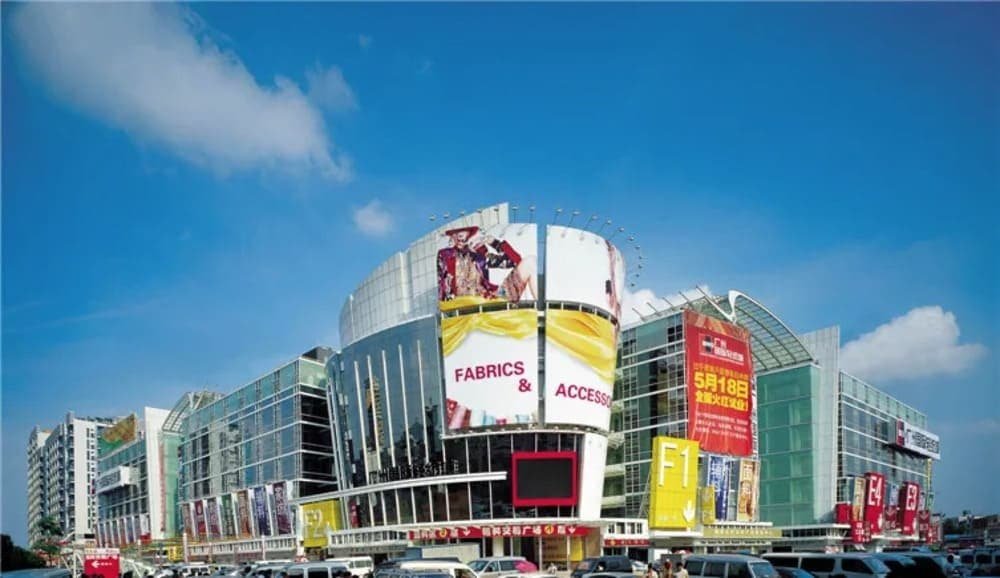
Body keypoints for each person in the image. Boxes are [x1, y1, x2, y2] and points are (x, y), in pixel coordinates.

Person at [437, 226, 536, 305]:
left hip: (490, 299)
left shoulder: (479, 253)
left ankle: (541, 312)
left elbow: (514, 261)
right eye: (456, 233)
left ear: (469, 234)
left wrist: (493, 242)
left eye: (463, 233)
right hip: (463, 304)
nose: (460, 236)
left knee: (530, 261)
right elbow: (442, 285)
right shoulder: (445, 255)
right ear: (452, 236)